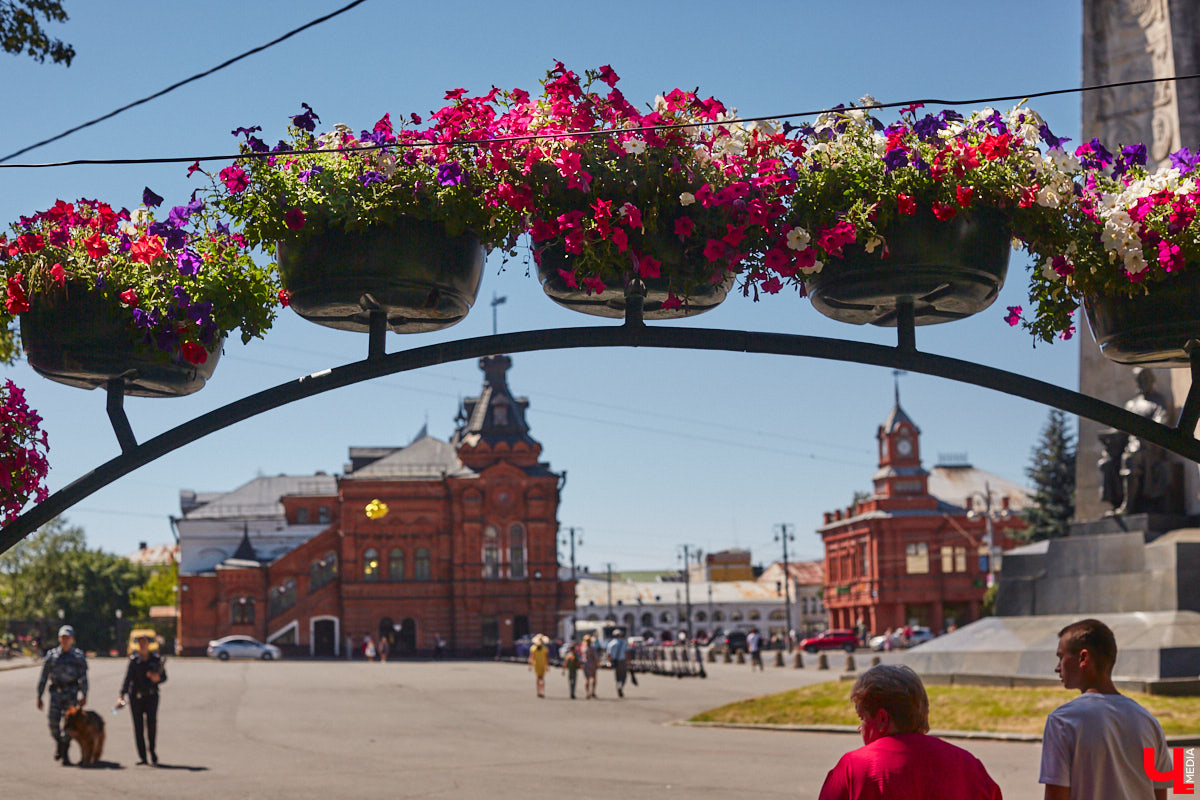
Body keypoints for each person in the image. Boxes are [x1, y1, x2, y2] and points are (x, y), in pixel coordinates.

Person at [818, 664, 1002, 799]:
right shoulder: (969, 766)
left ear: (882, 719)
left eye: (862, 718)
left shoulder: (853, 768)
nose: (859, 728)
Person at [1039, 618, 1171, 800]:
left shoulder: (1062, 721)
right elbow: (1160, 794)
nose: (1057, 668)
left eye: (1061, 657)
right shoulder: (1149, 722)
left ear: (1083, 658)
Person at [36, 624, 89, 765]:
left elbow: (83, 677)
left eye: (67, 637)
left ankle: (65, 751)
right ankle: (59, 743)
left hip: (71, 694)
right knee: (53, 723)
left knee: (70, 725)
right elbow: (43, 677)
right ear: (59, 639)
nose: (65, 640)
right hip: (56, 694)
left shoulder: (78, 656)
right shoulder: (52, 656)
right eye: (63, 637)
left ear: (72, 639)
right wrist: (39, 696)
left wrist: (84, 694)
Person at [116, 633, 167, 765]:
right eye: (140, 642)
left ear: (148, 644)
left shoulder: (156, 659)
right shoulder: (134, 661)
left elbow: (164, 677)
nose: (142, 645)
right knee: (138, 726)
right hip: (136, 697)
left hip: (151, 696)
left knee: (151, 724)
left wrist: (157, 678)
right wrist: (121, 696)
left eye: (144, 642)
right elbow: (128, 679)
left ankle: (152, 752)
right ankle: (143, 756)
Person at [605, 628, 630, 698]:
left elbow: (609, 654)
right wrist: (629, 662)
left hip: (615, 661)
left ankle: (618, 685)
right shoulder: (624, 643)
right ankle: (621, 686)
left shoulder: (611, 643)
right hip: (622, 661)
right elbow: (627, 653)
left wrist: (609, 662)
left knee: (617, 676)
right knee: (623, 676)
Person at [528, 633, 549, 698]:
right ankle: (542, 690)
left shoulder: (533, 648)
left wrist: (530, 665)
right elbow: (546, 658)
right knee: (542, 678)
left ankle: (538, 691)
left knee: (538, 678)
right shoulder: (545, 648)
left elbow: (531, 657)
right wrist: (547, 666)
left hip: (536, 664)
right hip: (542, 664)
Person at [580, 634, 599, 699]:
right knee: (593, 678)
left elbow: (582, 657)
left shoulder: (583, 648)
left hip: (585, 664)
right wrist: (598, 663)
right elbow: (596, 657)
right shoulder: (592, 648)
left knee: (587, 679)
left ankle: (587, 692)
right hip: (592, 664)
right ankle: (593, 692)